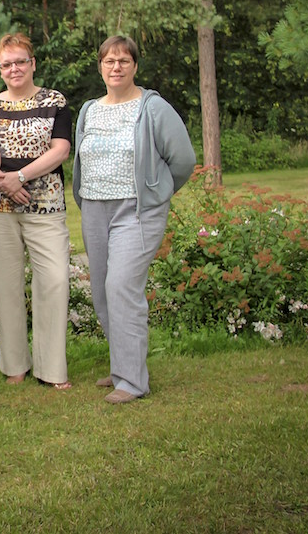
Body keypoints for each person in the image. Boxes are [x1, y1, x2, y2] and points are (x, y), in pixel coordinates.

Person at [72, 35, 196, 404]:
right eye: (109, 61)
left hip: (137, 210)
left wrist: (158, 193)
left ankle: (132, 381)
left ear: (135, 66)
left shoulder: (152, 108)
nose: (116, 67)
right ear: (100, 67)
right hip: (95, 208)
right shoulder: (89, 110)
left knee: (122, 286)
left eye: (124, 61)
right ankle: (121, 367)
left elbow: (183, 160)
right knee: (101, 292)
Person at [0, 33, 73, 390]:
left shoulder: (54, 100)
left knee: (54, 281)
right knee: (6, 287)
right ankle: (15, 366)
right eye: (7, 64)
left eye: (21, 61)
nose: (14, 68)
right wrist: (2, 181)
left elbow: (61, 149)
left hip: (46, 206)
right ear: (0, 68)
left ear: (33, 63)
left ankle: (51, 369)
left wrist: (19, 177)